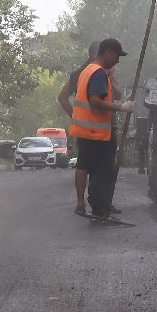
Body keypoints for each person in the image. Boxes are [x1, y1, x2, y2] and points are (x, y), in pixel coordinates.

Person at [69, 38, 137, 223]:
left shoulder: (87, 71)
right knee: (102, 171)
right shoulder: (98, 73)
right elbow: (95, 102)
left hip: (85, 131)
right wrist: (121, 107)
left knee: (85, 167)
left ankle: (92, 206)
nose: (117, 60)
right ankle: (100, 209)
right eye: (116, 56)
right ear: (107, 52)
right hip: (97, 134)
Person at [59, 40, 104, 215]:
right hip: (101, 127)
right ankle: (100, 201)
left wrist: (75, 116)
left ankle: (80, 202)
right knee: (101, 166)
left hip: (83, 127)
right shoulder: (101, 71)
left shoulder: (77, 74)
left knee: (83, 165)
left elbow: (62, 97)